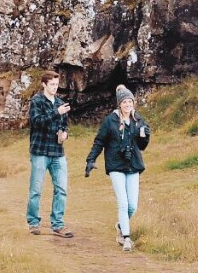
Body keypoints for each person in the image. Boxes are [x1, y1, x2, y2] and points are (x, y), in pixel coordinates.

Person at [85, 84, 150, 251]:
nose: (128, 104)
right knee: (122, 203)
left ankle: (121, 225)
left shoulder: (138, 119)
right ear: (119, 104)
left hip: (133, 164)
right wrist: (91, 160)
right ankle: (126, 239)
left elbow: (142, 146)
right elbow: (99, 141)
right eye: (125, 102)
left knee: (132, 206)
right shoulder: (110, 121)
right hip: (115, 164)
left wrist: (145, 135)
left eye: (130, 101)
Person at [26, 73, 72, 237]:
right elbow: (36, 122)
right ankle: (33, 222)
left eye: (56, 84)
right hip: (40, 151)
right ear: (44, 84)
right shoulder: (37, 101)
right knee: (36, 189)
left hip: (57, 152)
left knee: (61, 189)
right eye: (52, 84)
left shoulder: (60, 103)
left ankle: (58, 224)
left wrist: (65, 133)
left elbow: (65, 124)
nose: (55, 87)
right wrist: (56, 112)